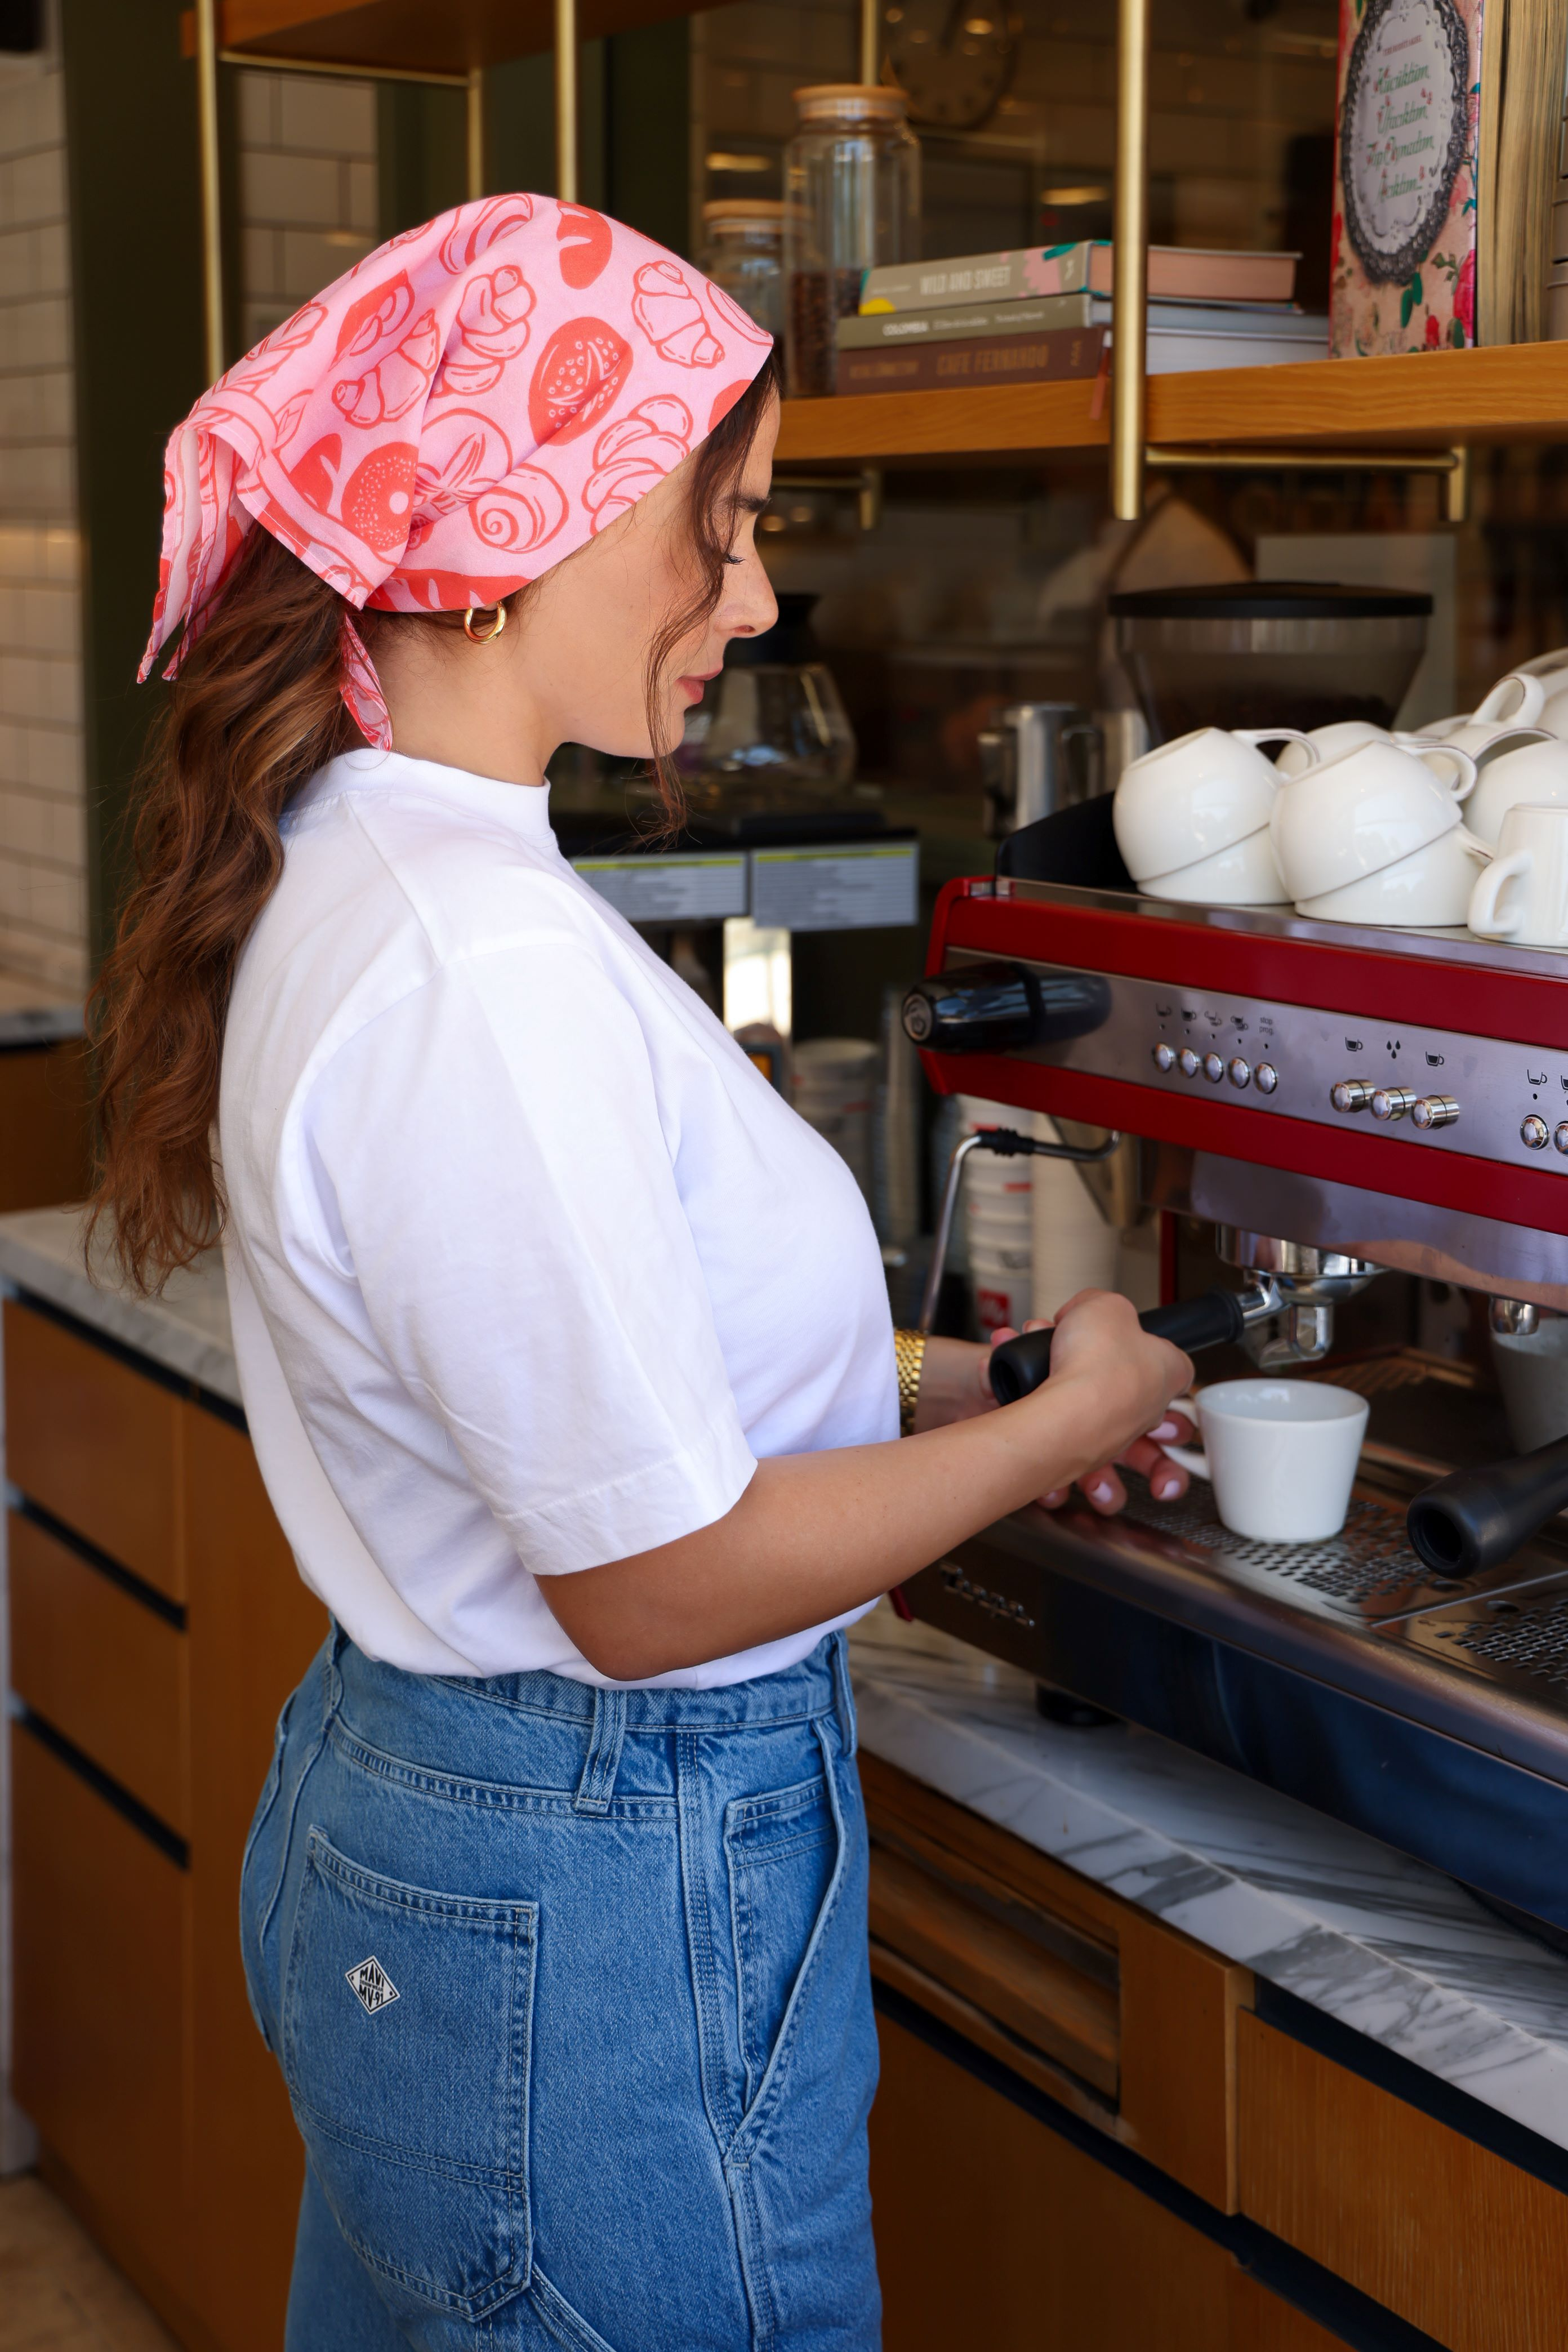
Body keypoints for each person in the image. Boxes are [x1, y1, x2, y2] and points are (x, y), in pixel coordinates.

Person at [89, 197, 1194, 2351]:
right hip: (597, 1890)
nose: (754, 599)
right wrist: (1067, 1422)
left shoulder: (371, 856)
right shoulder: (475, 963)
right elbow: (655, 1577)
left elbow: (596, 1409)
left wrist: (982, 1393)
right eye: (726, 526)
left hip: (452, 1835)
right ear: (544, 504)